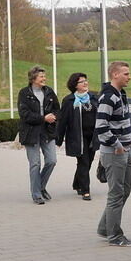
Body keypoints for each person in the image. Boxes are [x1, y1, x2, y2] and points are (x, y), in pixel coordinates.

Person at [96, 61, 131, 247]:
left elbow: (121, 121)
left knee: (124, 191)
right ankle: (114, 236)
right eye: (126, 74)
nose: (129, 77)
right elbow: (101, 126)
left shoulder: (121, 93)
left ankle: (105, 227)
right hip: (115, 153)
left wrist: (130, 138)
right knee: (116, 194)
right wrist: (118, 145)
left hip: (126, 150)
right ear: (115, 75)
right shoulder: (108, 97)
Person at [18, 66, 61, 205]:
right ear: (33, 78)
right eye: (41, 76)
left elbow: (57, 109)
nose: (44, 78)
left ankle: (40, 186)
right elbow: (24, 114)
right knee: (35, 163)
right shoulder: (24, 93)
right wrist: (43, 118)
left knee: (52, 160)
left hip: (47, 132)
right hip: (31, 133)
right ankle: (36, 194)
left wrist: (54, 116)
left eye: (44, 76)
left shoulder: (49, 91)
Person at [56, 72, 99, 201]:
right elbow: (62, 121)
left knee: (88, 161)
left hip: (92, 136)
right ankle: (85, 190)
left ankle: (77, 183)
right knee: (84, 161)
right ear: (75, 85)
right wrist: (59, 138)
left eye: (86, 80)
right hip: (77, 137)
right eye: (82, 81)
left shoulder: (93, 97)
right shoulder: (69, 101)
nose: (85, 83)